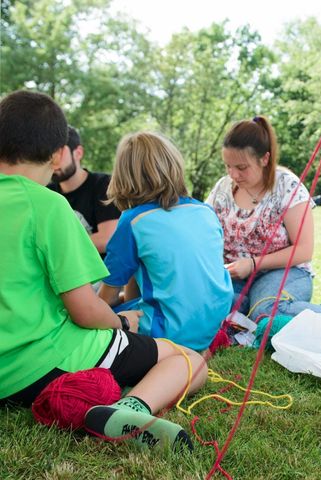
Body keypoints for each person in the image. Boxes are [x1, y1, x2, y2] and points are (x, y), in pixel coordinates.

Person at [0, 90, 207, 450]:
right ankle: (129, 409)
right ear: (55, 154)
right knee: (190, 359)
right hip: (43, 361)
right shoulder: (48, 205)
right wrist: (124, 322)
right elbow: (84, 310)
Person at [205, 116, 321, 322]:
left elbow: (303, 249)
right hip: (235, 276)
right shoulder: (223, 188)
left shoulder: (287, 187)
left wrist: (253, 264)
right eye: (228, 166)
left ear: (264, 159)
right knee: (207, 304)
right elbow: (204, 232)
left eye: (241, 167)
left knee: (266, 310)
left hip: (285, 273)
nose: (233, 174)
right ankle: (243, 310)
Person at [98, 131, 234, 352]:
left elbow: (105, 301)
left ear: (124, 176)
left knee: (93, 318)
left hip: (170, 333)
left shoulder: (133, 221)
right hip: (211, 323)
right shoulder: (205, 211)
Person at [48, 126, 120, 256]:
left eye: (59, 154)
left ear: (78, 153)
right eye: (48, 156)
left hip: (103, 273)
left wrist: (56, 247)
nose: (54, 162)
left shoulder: (103, 184)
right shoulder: (47, 193)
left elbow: (107, 239)